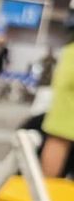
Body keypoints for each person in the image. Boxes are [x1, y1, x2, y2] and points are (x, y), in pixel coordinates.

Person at [40, 21, 74, 178]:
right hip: (67, 113)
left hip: (62, 113)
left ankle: (44, 195)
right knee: (58, 144)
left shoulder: (69, 49)